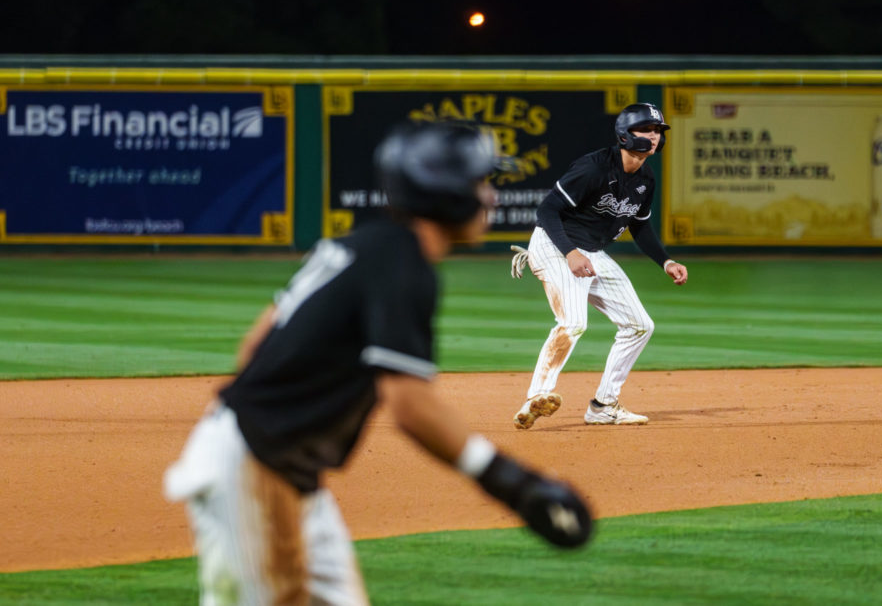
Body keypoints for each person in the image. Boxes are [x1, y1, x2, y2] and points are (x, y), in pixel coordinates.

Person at [164, 122, 591, 605]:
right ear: (445, 192)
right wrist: (515, 484)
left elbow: (255, 345)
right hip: (257, 466)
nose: (490, 197)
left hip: (274, 462)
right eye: (480, 183)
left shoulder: (359, 245)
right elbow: (409, 405)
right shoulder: (403, 265)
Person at [510, 102, 688, 430]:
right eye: (646, 130)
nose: (653, 137)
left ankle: (604, 406)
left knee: (639, 325)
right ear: (625, 134)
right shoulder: (593, 168)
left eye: (658, 131)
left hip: (590, 251)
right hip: (554, 245)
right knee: (573, 322)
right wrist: (570, 253)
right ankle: (537, 396)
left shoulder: (645, 178)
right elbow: (547, 211)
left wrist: (666, 261)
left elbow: (640, 226)